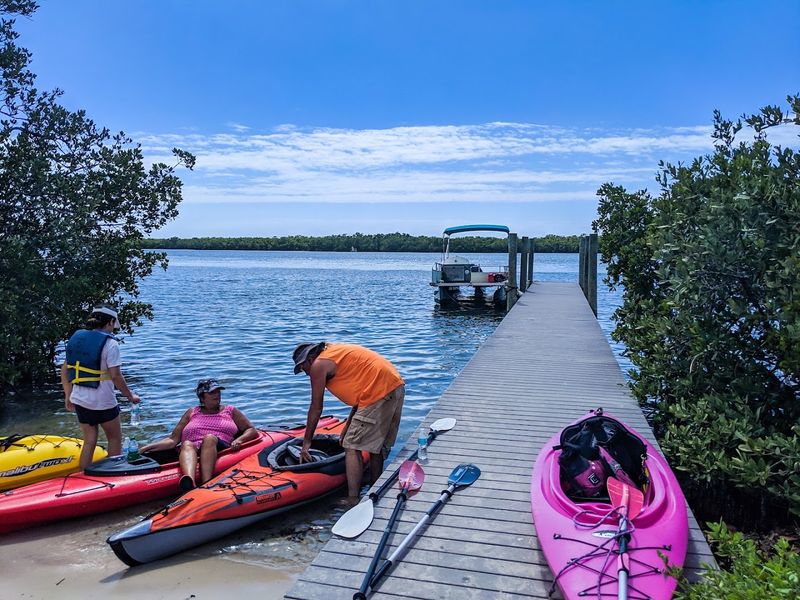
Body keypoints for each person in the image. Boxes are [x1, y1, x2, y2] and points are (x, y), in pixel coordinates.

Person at [293, 342, 405, 499]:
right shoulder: (334, 353)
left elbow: (316, 407)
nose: (305, 373)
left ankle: (353, 499)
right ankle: (375, 491)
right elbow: (361, 392)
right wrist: (348, 425)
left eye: (303, 368)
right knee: (375, 447)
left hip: (379, 392)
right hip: (393, 386)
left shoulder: (318, 365)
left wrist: (306, 443)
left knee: (351, 445)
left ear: (310, 359)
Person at [140, 378, 258, 491]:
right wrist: (148, 447)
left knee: (209, 438)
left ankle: (207, 481)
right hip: (193, 448)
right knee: (186, 443)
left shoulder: (230, 411)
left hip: (219, 445)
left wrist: (240, 440)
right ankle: (190, 481)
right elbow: (173, 440)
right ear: (202, 397)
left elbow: (251, 429)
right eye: (212, 393)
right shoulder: (192, 412)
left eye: (218, 392)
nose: (217, 395)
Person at [60, 305, 140, 469]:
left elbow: (65, 369)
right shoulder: (111, 344)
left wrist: (68, 395)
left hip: (80, 399)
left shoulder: (77, 339)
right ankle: (113, 474)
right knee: (114, 439)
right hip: (103, 401)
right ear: (110, 322)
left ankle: (83, 478)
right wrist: (130, 396)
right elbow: (116, 376)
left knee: (89, 441)